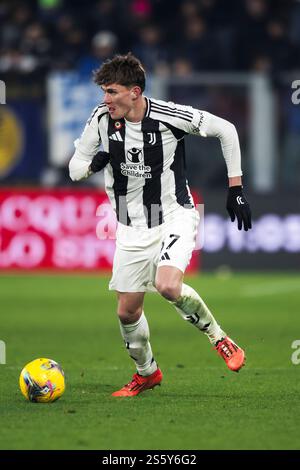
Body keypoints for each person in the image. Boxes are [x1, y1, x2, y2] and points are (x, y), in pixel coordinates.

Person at [69, 53, 252, 397]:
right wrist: (95, 162)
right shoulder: (100, 119)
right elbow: (74, 168)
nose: (105, 100)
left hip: (173, 215)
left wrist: (236, 188)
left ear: (134, 92)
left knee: (167, 285)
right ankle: (147, 373)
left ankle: (219, 338)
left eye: (112, 92)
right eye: (104, 93)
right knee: (127, 312)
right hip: (130, 228)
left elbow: (225, 130)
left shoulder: (170, 115)